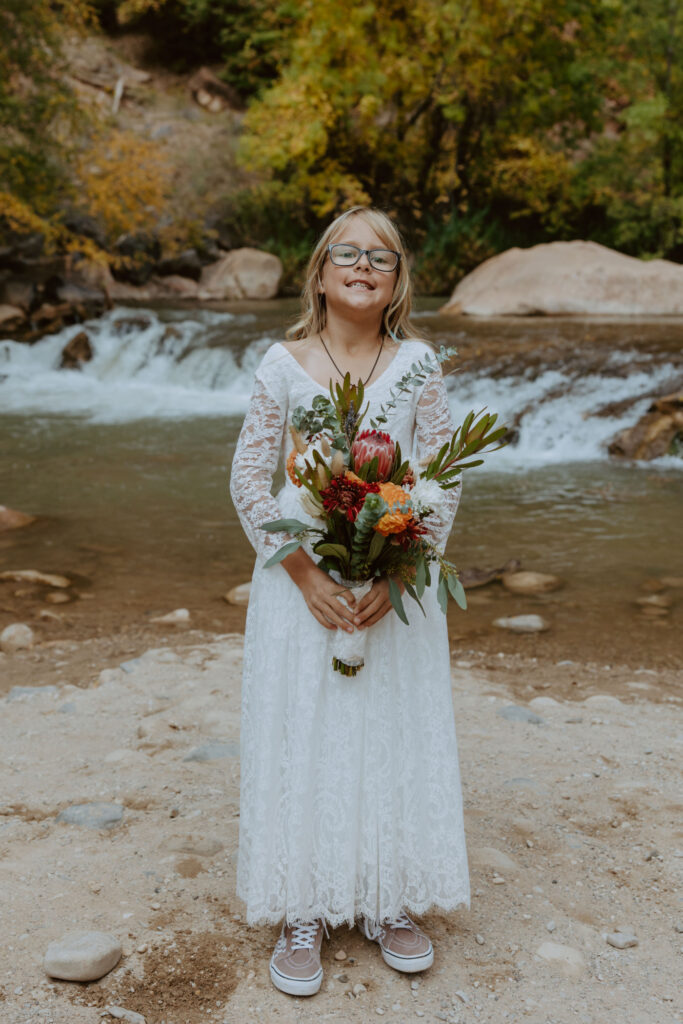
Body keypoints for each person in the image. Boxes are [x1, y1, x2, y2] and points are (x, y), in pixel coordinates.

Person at [229, 205, 470, 997]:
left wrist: (402, 574)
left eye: (383, 258)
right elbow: (247, 478)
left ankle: (386, 898)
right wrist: (303, 573)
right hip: (304, 584)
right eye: (348, 254)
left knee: (388, 733)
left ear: (397, 280)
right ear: (321, 272)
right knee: (306, 731)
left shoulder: (419, 365)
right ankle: (303, 906)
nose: (364, 266)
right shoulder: (281, 363)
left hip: (393, 578)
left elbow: (443, 476)